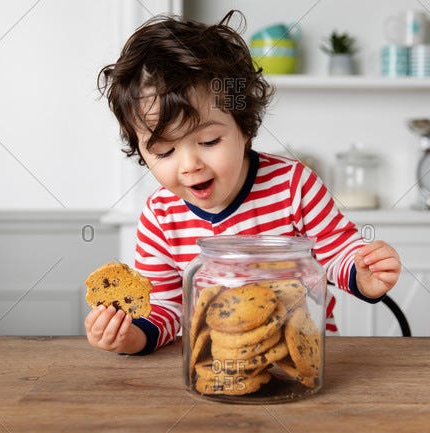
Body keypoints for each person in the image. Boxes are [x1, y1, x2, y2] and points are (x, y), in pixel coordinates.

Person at [85, 10, 401, 355]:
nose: (189, 165)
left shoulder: (293, 185)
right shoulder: (161, 216)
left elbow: (337, 252)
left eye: (208, 142)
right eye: (164, 152)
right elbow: (165, 307)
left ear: (245, 127)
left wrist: (363, 273)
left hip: (301, 355)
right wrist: (132, 336)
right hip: (212, 361)